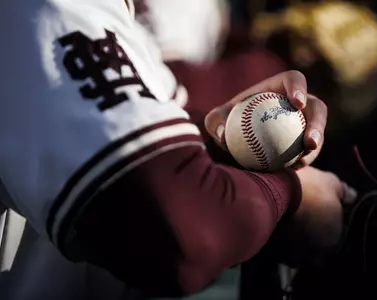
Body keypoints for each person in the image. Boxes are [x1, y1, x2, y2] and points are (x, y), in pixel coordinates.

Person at [0, 0, 356, 297]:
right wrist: (293, 196)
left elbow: (149, 147)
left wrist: (217, 137)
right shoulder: (51, 8)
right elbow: (181, 234)